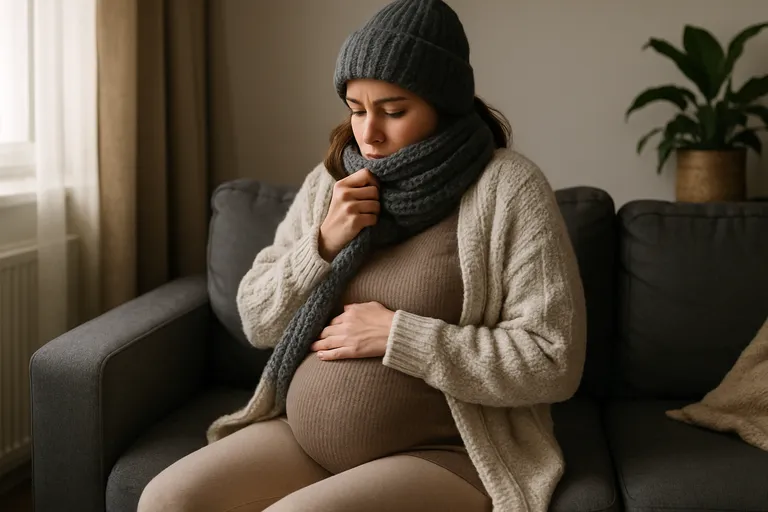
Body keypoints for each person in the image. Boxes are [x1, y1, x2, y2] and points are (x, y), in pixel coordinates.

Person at [138, 0, 586, 511]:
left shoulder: (508, 187)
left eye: (393, 111)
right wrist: (323, 242)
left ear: (444, 105)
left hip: (449, 453)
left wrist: (399, 334)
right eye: (356, 109)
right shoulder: (332, 180)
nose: (369, 133)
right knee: (166, 500)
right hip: (303, 437)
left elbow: (553, 360)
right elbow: (258, 322)